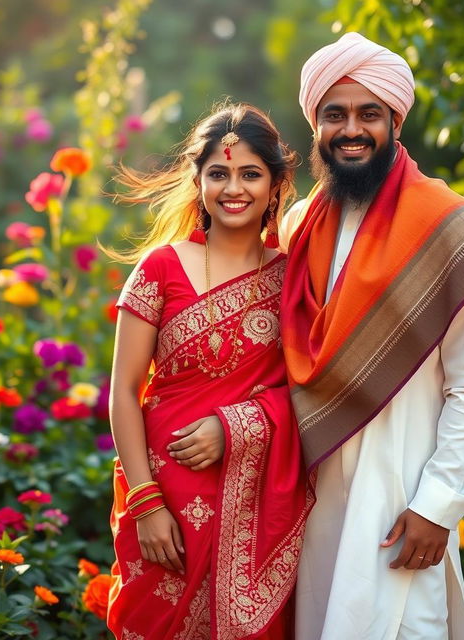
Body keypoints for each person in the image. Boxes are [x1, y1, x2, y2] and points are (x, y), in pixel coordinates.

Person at [278, 32, 464, 639]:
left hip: (401, 504)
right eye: (335, 114)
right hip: (311, 505)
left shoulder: (448, 228)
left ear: (395, 120)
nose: (351, 129)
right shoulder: (300, 225)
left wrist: (438, 505)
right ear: (315, 123)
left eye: (369, 113)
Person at [106, 103, 313, 640]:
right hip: (163, 499)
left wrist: (238, 425)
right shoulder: (160, 267)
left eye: (250, 173)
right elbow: (123, 393)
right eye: (218, 174)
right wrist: (145, 501)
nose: (233, 188)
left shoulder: (294, 281)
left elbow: (313, 391)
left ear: (276, 184)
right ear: (198, 181)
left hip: (255, 504)